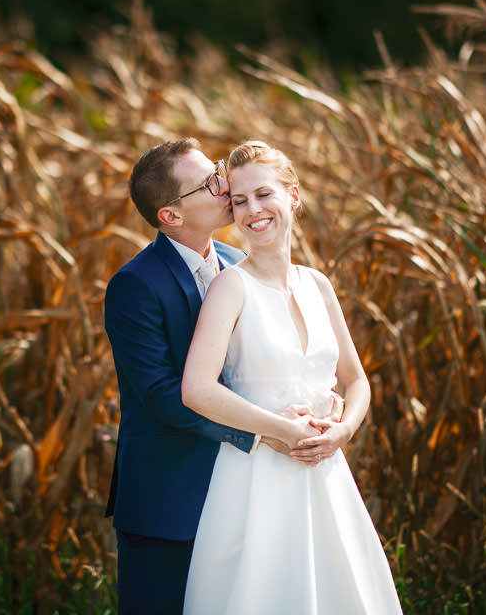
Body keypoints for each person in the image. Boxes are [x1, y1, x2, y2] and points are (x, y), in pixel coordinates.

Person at [104, 138, 341, 614]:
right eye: (210, 182)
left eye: (218, 170)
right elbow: (161, 395)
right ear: (171, 215)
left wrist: (319, 401)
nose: (225, 184)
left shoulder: (238, 265)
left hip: (247, 490)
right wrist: (262, 431)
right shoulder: (135, 285)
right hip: (170, 495)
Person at [181, 140, 403, 614]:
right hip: (256, 477)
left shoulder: (317, 284)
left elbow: (356, 380)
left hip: (325, 470)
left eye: (264, 194)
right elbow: (197, 389)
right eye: (239, 200)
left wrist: (343, 431)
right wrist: (283, 430)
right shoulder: (230, 286)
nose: (252, 210)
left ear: (293, 196)